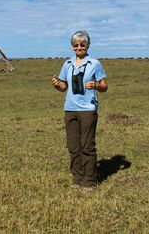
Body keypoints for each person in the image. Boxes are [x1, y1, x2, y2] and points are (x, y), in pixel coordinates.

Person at [51, 30, 108, 191]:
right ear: (72, 46)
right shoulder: (67, 64)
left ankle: (90, 180)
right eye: (76, 45)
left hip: (88, 109)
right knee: (73, 146)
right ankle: (77, 178)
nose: (79, 47)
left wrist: (96, 85)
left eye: (82, 44)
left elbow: (105, 86)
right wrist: (57, 85)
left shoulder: (94, 64)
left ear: (87, 45)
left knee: (87, 145)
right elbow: (64, 87)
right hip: (70, 109)